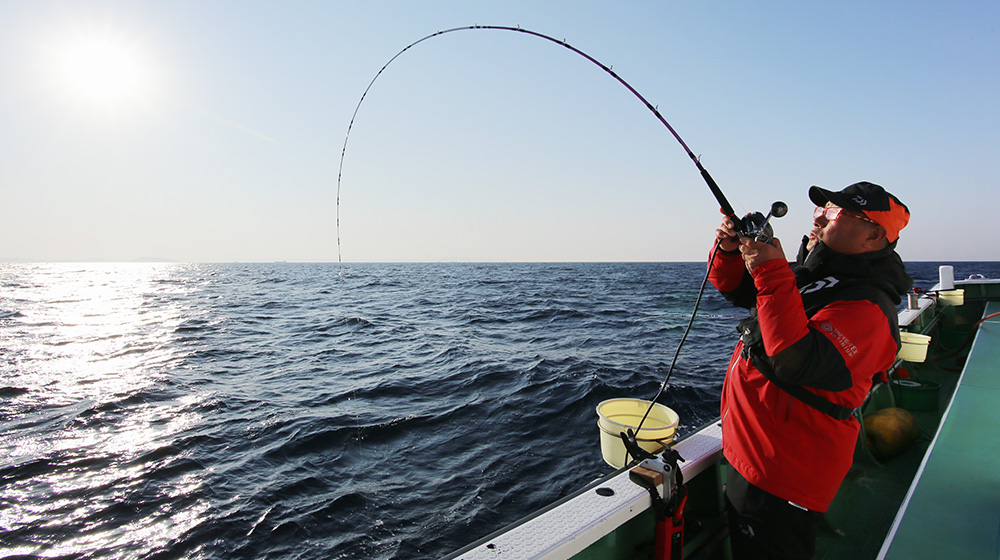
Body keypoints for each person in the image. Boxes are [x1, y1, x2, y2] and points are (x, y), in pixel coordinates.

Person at [708, 181, 913, 560]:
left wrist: (769, 270)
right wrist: (730, 249)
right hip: (752, 455)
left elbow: (796, 360)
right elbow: (736, 288)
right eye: (822, 208)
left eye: (835, 212)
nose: (818, 215)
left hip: (785, 474)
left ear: (872, 235)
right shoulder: (812, 275)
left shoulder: (869, 307)